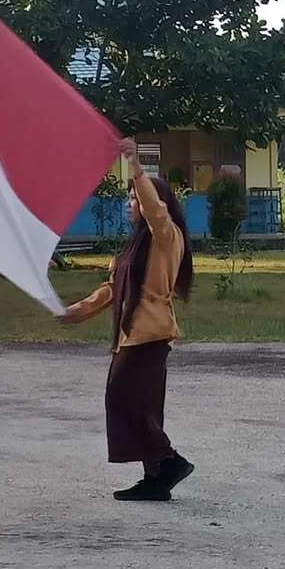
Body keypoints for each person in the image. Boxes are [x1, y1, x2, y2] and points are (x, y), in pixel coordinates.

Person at [60, 138, 196, 502]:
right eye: (130, 198)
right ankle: (155, 478)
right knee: (140, 405)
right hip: (131, 335)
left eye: (134, 199)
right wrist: (78, 311)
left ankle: (169, 462)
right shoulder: (136, 245)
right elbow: (111, 288)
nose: (130, 203)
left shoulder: (167, 236)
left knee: (123, 399)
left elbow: (155, 209)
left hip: (150, 334)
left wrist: (135, 166)